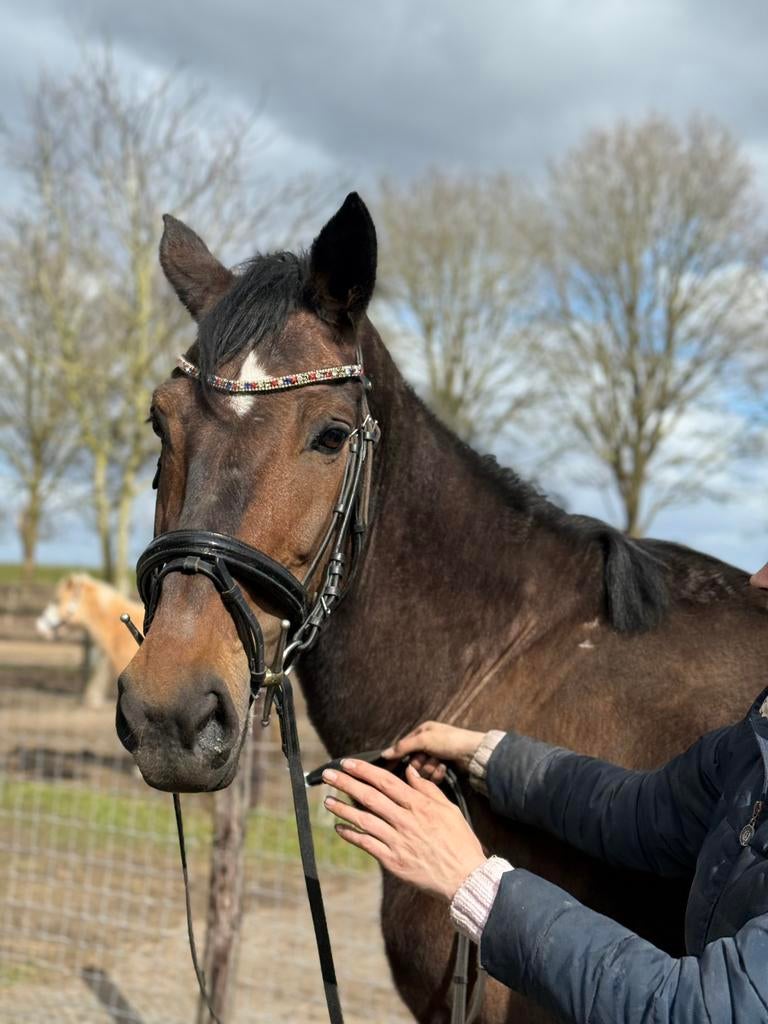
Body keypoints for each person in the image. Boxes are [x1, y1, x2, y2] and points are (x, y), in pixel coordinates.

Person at [322, 565, 768, 1023]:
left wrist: (475, 883)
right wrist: (485, 754)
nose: (758, 579)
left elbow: (697, 1012)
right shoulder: (752, 746)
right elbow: (641, 812)